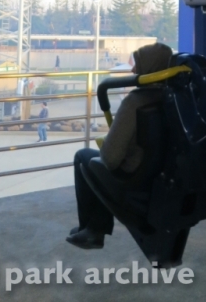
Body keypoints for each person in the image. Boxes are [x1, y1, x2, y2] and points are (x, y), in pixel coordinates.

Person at [67, 41, 172, 250]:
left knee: (84, 157)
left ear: (149, 68)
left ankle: (93, 230)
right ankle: (91, 227)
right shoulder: (172, 97)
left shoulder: (134, 102)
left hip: (134, 175)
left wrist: (107, 144)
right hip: (160, 174)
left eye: (138, 64)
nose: (133, 70)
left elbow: (110, 159)